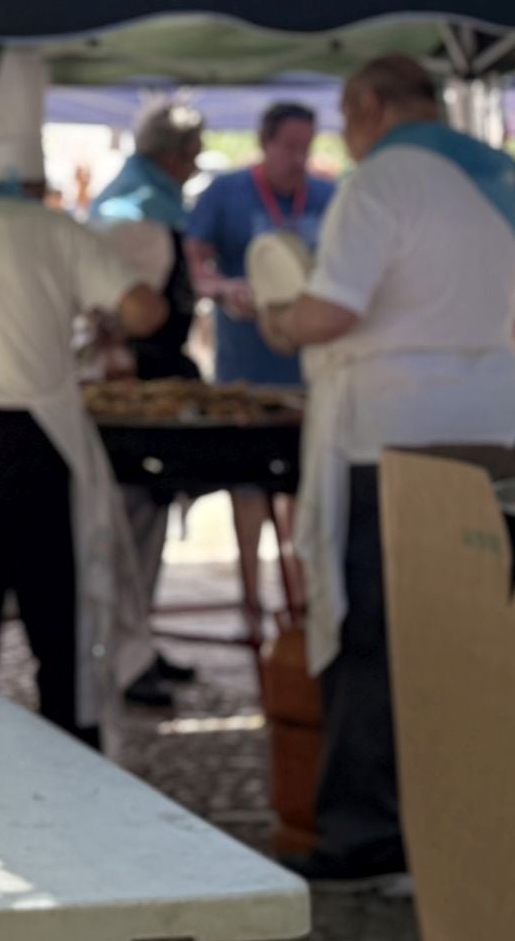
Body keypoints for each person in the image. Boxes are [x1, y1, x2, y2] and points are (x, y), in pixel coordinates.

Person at [259, 54, 515, 883]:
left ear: (368, 104)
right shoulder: (495, 181)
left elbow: (331, 309)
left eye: (345, 116)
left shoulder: (384, 180)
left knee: (375, 636)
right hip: (491, 427)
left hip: (395, 435)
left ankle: (366, 830)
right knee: (479, 632)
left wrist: (277, 319)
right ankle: (475, 809)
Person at [0, 56, 167, 744]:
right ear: (38, 177)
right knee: (59, 616)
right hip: (43, 445)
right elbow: (146, 312)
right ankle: (71, 741)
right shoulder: (60, 233)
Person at [184, 102, 337, 636]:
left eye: (307, 147)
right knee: (248, 491)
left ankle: (302, 608)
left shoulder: (327, 194)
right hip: (245, 375)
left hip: (311, 376)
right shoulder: (224, 193)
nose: (299, 158)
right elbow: (196, 267)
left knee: (306, 494)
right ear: (265, 142)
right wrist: (224, 289)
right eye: (289, 147)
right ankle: (250, 602)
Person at [90, 102, 207, 707]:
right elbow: (118, 316)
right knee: (127, 530)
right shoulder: (132, 218)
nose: (193, 168)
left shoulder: (147, 209)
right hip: (130, 398)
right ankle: (125, 653)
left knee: (144, 527)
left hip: (149, 391)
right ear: (170, 155)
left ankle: (136, 642)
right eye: (191, 155)